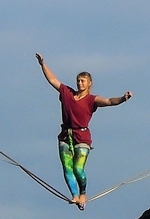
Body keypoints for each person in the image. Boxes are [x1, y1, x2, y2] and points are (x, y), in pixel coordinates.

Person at [35, 53, 132, 210]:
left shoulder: (92, 99)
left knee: (78, 169)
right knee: (67, 167)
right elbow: (53, 80)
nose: (79, 83)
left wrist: (122, 98)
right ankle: (74, 196)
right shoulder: (67, 94)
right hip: (66, 136)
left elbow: (109, 101)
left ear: (89, 83)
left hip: (82, 137)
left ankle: (83, 194)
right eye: (78, 81)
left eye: (83, 81)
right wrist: (43, 64)